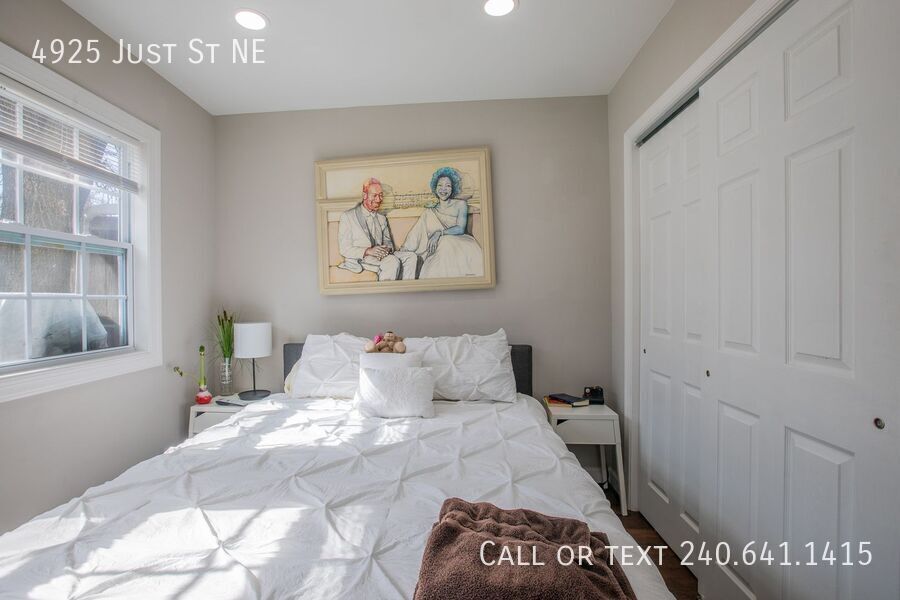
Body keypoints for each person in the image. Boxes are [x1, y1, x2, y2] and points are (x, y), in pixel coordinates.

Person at [400, 167, 484, 278]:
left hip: (459, 243)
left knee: (445, 242)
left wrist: (439, 233)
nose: (443, 189)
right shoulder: (431, 210)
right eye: (440, 185)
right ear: (435, 188)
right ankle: (405, 250)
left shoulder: (460, 204)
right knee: (429, 219)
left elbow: (460, 228)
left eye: (448, 186)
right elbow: (419, 232)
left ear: (453, 188)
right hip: (439, 245)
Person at [337, 178, 418, 281]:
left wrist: (386, 249)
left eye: (380, 195)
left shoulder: (382, 218)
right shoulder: (347, 216)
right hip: (360, 258)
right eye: (375, 195)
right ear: (365, 195)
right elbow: (344, 249)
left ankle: (406, 289)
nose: (379, 199)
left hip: (380, 256)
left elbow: (388, 242)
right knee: (392, 261)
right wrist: (368, 251)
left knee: (411, 257)